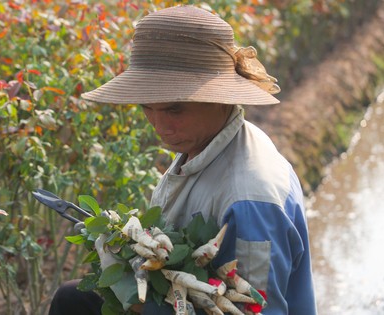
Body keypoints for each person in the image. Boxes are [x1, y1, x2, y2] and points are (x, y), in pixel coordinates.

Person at [49, 5, 317, 315]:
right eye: (148, 108)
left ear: (220, 98)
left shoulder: (249, 201)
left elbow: (251, 311)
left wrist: (138, 303)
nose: (160, 127)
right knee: (73, 299)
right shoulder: (210, 144)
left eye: (175, 110)